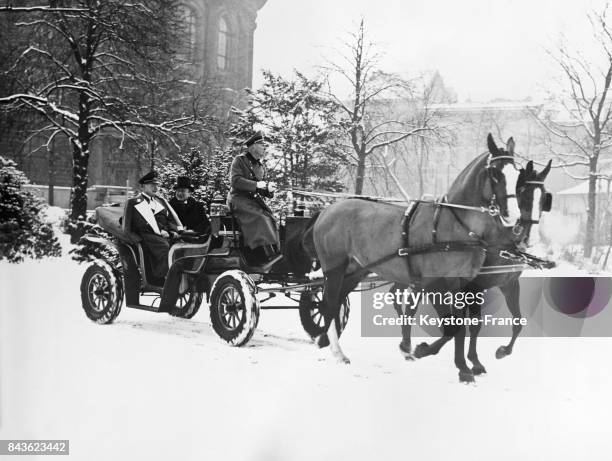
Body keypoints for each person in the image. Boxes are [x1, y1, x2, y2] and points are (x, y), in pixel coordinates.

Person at [227, 131, 281, 264]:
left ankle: (274, 252)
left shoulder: (260, 166)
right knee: (259, 218)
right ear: (253, 146)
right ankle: (262, 255)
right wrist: (257, 185)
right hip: (238, 200)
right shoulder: (239, 160)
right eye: (262, 144)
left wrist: (269, 189)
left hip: (253, 202)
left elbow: (261, 188)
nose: (264, 147)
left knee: (271, 218)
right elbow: (235, 181)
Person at [122, 171, 183, 280]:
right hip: (146, 237)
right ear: (143, 187)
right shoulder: (133, 202)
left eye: (156, 185)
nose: (155, 188)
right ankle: (159, 277)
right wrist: (138, 242)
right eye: (152, 185)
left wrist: (172, 231)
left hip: (165, 235)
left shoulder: (161, 202)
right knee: (166, 248)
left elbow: (170, 220)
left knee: (183, 246)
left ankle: (180, 276)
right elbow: (126, 228)